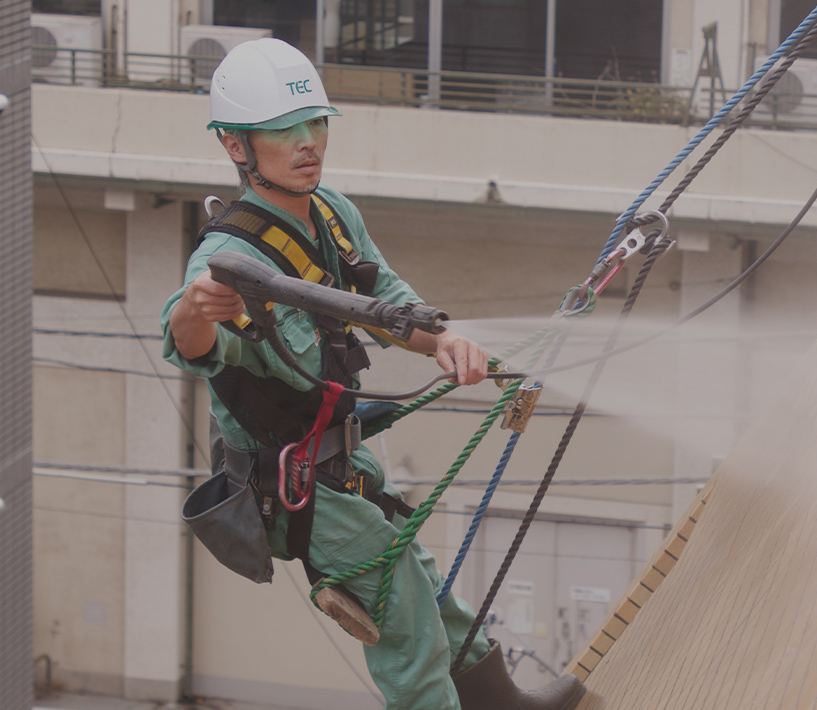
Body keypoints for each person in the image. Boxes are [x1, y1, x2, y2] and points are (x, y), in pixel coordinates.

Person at [161, 38, 586, 710]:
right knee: (409, 638)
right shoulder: (227, 259)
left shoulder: (330, 213)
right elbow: (192, 344)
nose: (308, 143)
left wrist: (446, 340)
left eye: (315, 124)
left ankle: (502, 703)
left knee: (426, 591)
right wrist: (195, 311)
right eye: (283, 131)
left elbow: (388, 300)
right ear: (237, 147)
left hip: (339, 464)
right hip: (292, 481)